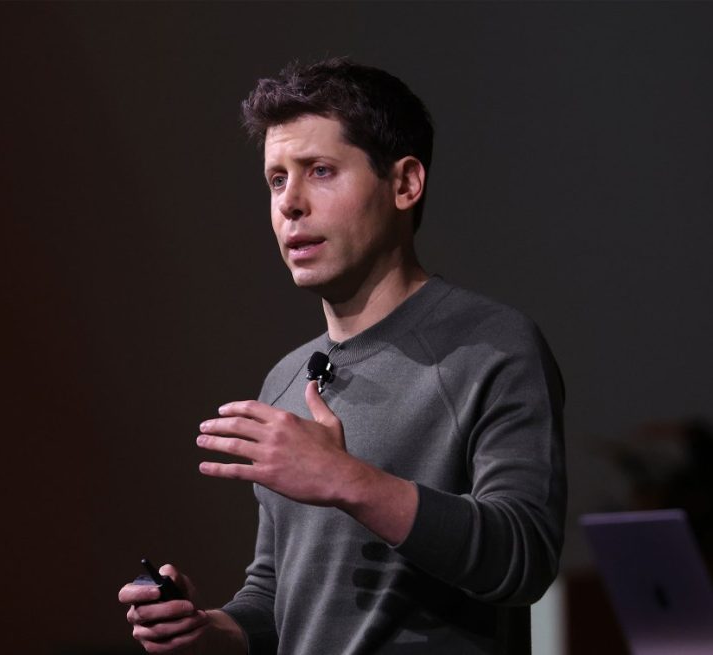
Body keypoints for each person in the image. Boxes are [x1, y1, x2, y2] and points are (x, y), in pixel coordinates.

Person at [119, 57, 566, 655]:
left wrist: (346, 480)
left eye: (321, 171)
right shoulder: (286, 377)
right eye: (277, 180)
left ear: (405, 184)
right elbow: (279, 592)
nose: (290, 204)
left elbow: (523, 557)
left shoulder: (490, 345)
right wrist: (211, 629)